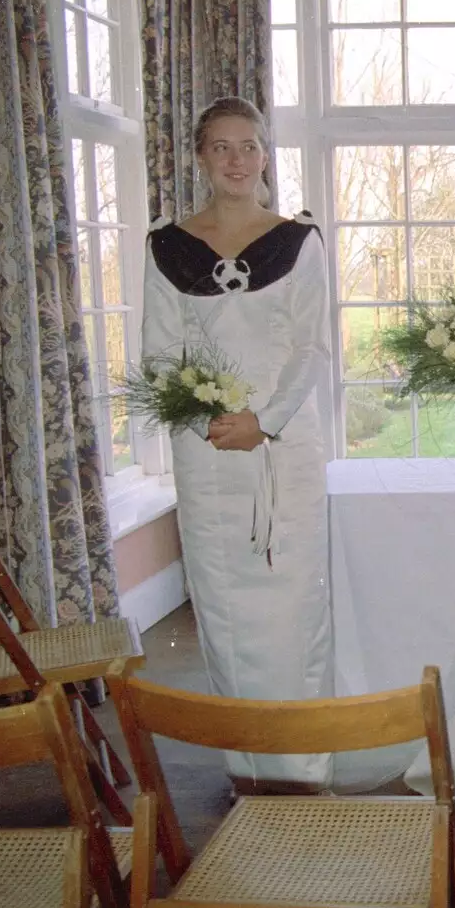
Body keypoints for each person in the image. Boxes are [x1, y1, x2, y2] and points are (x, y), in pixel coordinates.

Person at [142, 96, 334, 789]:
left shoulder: (297, 241)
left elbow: (313, 347)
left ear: (264, 155)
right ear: (200, 156)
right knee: (223, 611)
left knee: (291, 607)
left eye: (248, 146)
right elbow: (161, 356)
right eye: (221, 146)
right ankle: (245, 763)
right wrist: (206, 422)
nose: (235, 159)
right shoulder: (167, 246)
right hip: (209, 453)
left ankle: (301, 761)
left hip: (282, 447)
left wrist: (267, 419)